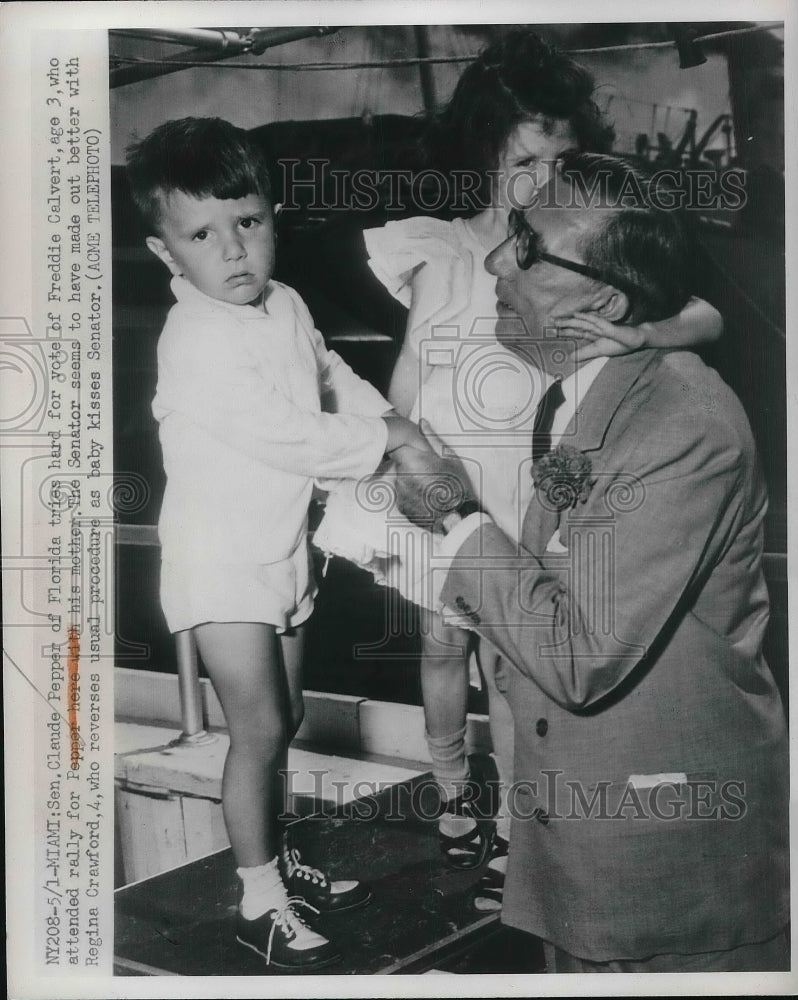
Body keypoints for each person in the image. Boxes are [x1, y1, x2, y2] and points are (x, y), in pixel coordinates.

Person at [389, 151, 789, 972]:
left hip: (667, 883)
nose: (498, 260)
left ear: (604, 301)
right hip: (576, 862)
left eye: (530, 248)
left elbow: (578, 656)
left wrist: (456, 517)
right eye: (512, 232)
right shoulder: (583, 392)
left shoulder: (680, 427)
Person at [362, 30, 723, 910]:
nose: (543, 180)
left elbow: (704, 313)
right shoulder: (437, 248)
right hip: (447, 467)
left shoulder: (587, 249)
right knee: (443, 643)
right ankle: (452, 795)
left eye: (560, 159)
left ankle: (530, 830)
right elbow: (411, 366)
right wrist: (390, 453)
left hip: (530, 478)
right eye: (525, 160)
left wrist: (642, 332)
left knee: (521, 661)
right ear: (484, 155)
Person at [125, 117, 430, 971]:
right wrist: (387, 442)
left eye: (248, 222)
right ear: (165, 252)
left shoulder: (285, 303)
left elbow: (332, 374)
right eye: (202, 235)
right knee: (256, 728)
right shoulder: (197, 339)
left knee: (285, 717)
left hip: (283, 546)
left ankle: (274, 858)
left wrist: (389, 418)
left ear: (273, 216)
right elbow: (286, 434)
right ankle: (259, 900)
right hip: (221, 561)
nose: (233, 250)